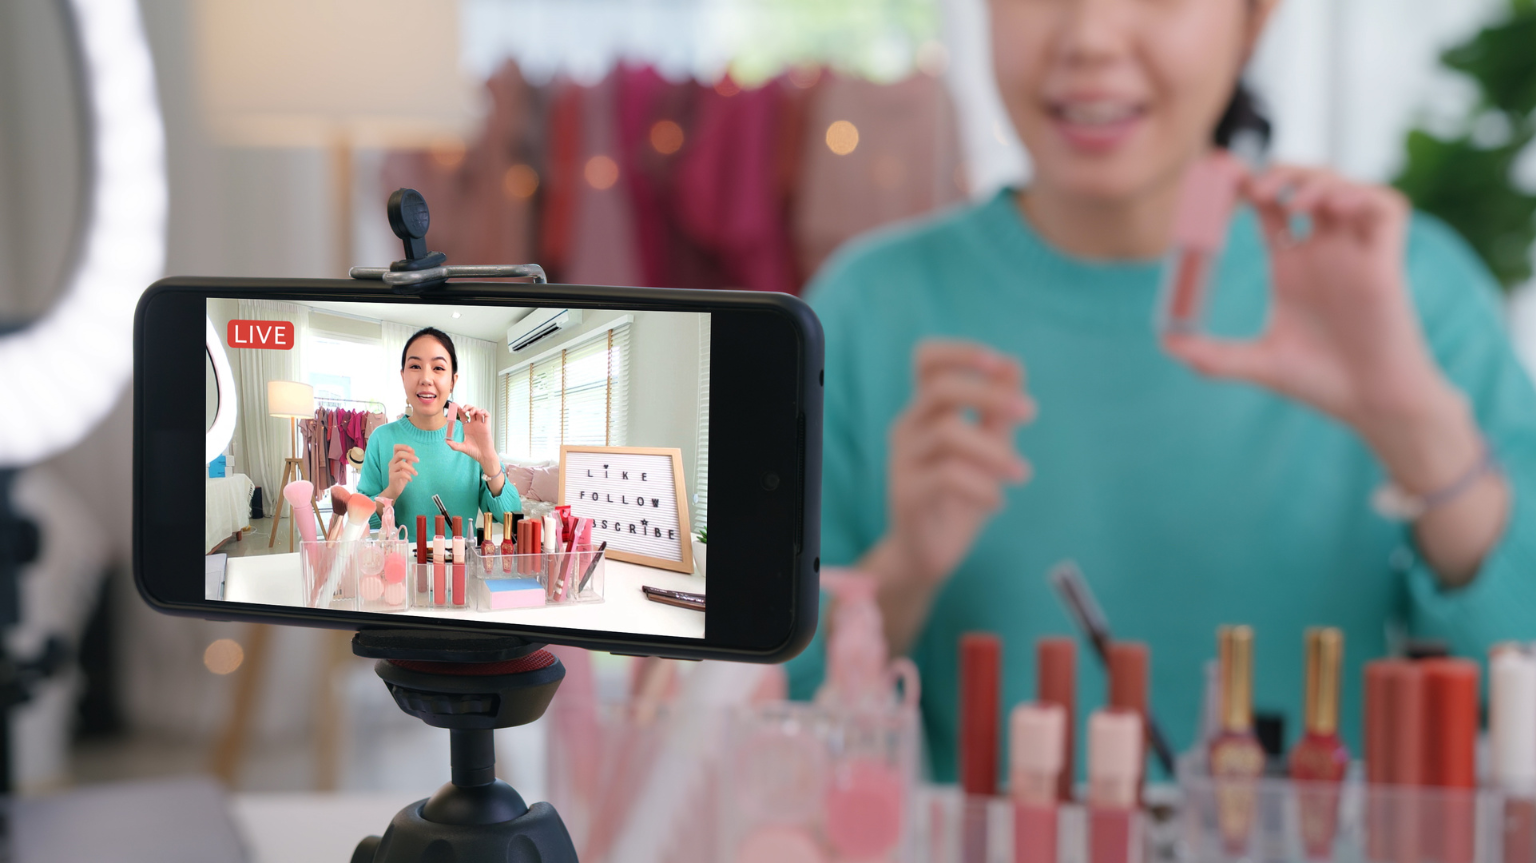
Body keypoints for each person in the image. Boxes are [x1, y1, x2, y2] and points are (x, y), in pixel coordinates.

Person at [787, 0, 1536, 781]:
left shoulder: (1401, 288)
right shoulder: (869, 308)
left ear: (1253, 22)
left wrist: (1421, 435)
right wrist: (903, 569)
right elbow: (769, 727)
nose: (1090, 38)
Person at [356, 327, 520, 541]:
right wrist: (390, 494)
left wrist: (489, 460)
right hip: (401, 560)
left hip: (460, 559)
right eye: (415, 366)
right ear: (403, 376)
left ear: (452, 381)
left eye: (438, 368)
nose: (426, 378)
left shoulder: (470, 439)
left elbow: (511, 520)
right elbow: (360, 522)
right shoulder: (381, 438)